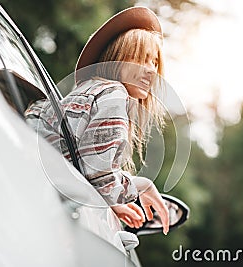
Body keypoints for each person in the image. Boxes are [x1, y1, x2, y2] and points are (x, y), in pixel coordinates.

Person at [25, 7, 169, 234]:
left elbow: (81, 161)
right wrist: (143, 185)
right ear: (117, 59)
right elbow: (97, 171)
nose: (151, 70)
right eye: (141, 59)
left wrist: (113, 201)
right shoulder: (114, 92)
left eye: (154, 62)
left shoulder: (90, 91)